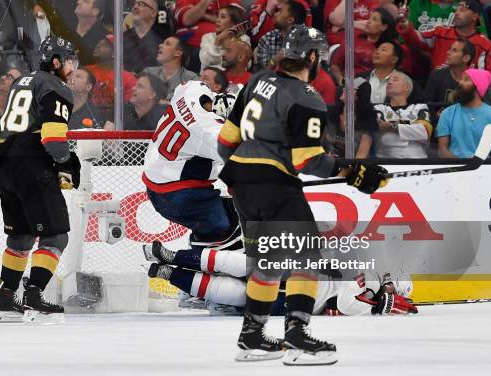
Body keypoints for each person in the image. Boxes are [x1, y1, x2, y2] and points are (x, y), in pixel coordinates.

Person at [216, 25, 389, 365]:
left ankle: (252, 337)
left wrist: (249, 175)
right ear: (312, 57)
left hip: (242, 183)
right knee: (306, 258)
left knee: (268, 261)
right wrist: (351, 171)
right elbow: (307, 159)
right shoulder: (307, 98)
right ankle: (297, 338)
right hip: (274, 186)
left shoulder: (256, 81)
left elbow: (225, 141)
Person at [0, 36, 81, 324]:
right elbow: (53, 139)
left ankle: (5, 298)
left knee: (21, 235)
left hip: (4, 162)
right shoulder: (56, 86)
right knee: (56, 235)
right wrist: (66, 162)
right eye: (68, 60)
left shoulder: (23, 81)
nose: (71, 66)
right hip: (30, 163)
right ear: (55, 62)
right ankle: (34, 296)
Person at [146, 243, 417, 316]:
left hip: (292, 297)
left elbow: (343, 306)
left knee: (233, 292)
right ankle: (172, 257)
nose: (389, 281)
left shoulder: (365, 300)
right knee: (236, 266)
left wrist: (376, 306)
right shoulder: (368, 276)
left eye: (394, 285)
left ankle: (168, 272)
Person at [143, 81, 243, 273]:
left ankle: (180, 267)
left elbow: (190, 89)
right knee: (224, 235)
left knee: (222, 224)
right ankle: (198, 284)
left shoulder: (191, 90)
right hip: (178, 194)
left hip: (159, 184)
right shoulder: (212, 133)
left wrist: (216, 103)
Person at [397, 0, 491, 72]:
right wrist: (405, 23)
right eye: (456, 10)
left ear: (475, 16)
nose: (456, 13)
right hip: (438, 84)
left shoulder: (484, 44)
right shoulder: (441, 33)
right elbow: (418, 39)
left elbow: (487, 74)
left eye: (462, 10)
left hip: (468, 89)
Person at [436, 68, 491, 158]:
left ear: (477, 86)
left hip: (484, 169)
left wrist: (482, 169)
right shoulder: (447, 113)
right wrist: (461, 169)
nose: (460, 82)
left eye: (466, 79)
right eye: (461, 79)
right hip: (454, 168)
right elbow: (442, 149)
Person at [373, 71, 433, 158]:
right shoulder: (379, 108)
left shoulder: (419, 107)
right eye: (388, 80)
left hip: (416, 162)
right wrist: (411, 127)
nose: (389, 82)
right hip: (386, 161)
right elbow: (380, 128)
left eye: (395, 79)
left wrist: (392, 126)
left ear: (406, 87)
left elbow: (424, 131)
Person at [88, 35, 138, 120]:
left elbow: (128, 108)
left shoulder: (128, 78)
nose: (98, 46)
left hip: (115, 121)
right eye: (99, 43)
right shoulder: (86, 71)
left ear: (115, 52)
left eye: (105, 45)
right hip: (88, 117)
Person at [424, 39, 476, 120]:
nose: (448, 52)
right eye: (450, 49)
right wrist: (436, 116)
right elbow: (426, 104)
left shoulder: (476, 79)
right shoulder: (436, 75)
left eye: (454, 50)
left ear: (466, 58)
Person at [123, 0, 172, 74]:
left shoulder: (163, 41)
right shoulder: (122, 39)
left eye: (141, 4)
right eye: (134, 4)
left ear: (153, 13)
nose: (135, 7)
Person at [143, 36, 199, 100]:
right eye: (162, 43)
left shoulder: (191, 78)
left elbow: (193, 100)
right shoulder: (148, 72)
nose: (160, 45)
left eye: (167, 44)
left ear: (178, 53)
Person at [256, 0, 306, 70]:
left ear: (290, 20)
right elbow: (261, 75)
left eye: (280, 12)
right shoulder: (267, 39)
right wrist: (274, 61)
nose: (275, 14)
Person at [198, 4, 250, 71]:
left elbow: (245, 64)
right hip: (209, 78)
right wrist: (217, 41)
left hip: (232, 79)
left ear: (233, 23)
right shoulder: (208, 37)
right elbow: (206, 61)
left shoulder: (243, 39)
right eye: (218, 16)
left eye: (223, 17)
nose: (217, 20)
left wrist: (233, 41)